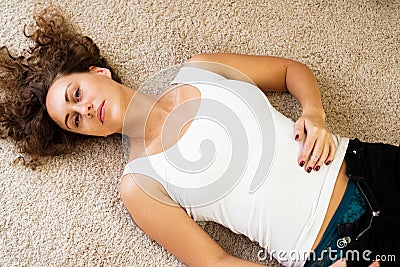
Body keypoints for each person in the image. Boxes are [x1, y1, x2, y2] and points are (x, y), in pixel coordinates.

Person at [0, 11, 398, 267]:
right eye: (73, 121)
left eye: (76, 95)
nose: (84, 111)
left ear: (97, 73)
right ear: (85, 134)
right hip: (334, 249)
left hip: (364, 165)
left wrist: (313, 112)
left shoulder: (199, 68)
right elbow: (217, 262)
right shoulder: (140, 184)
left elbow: (289, 70)